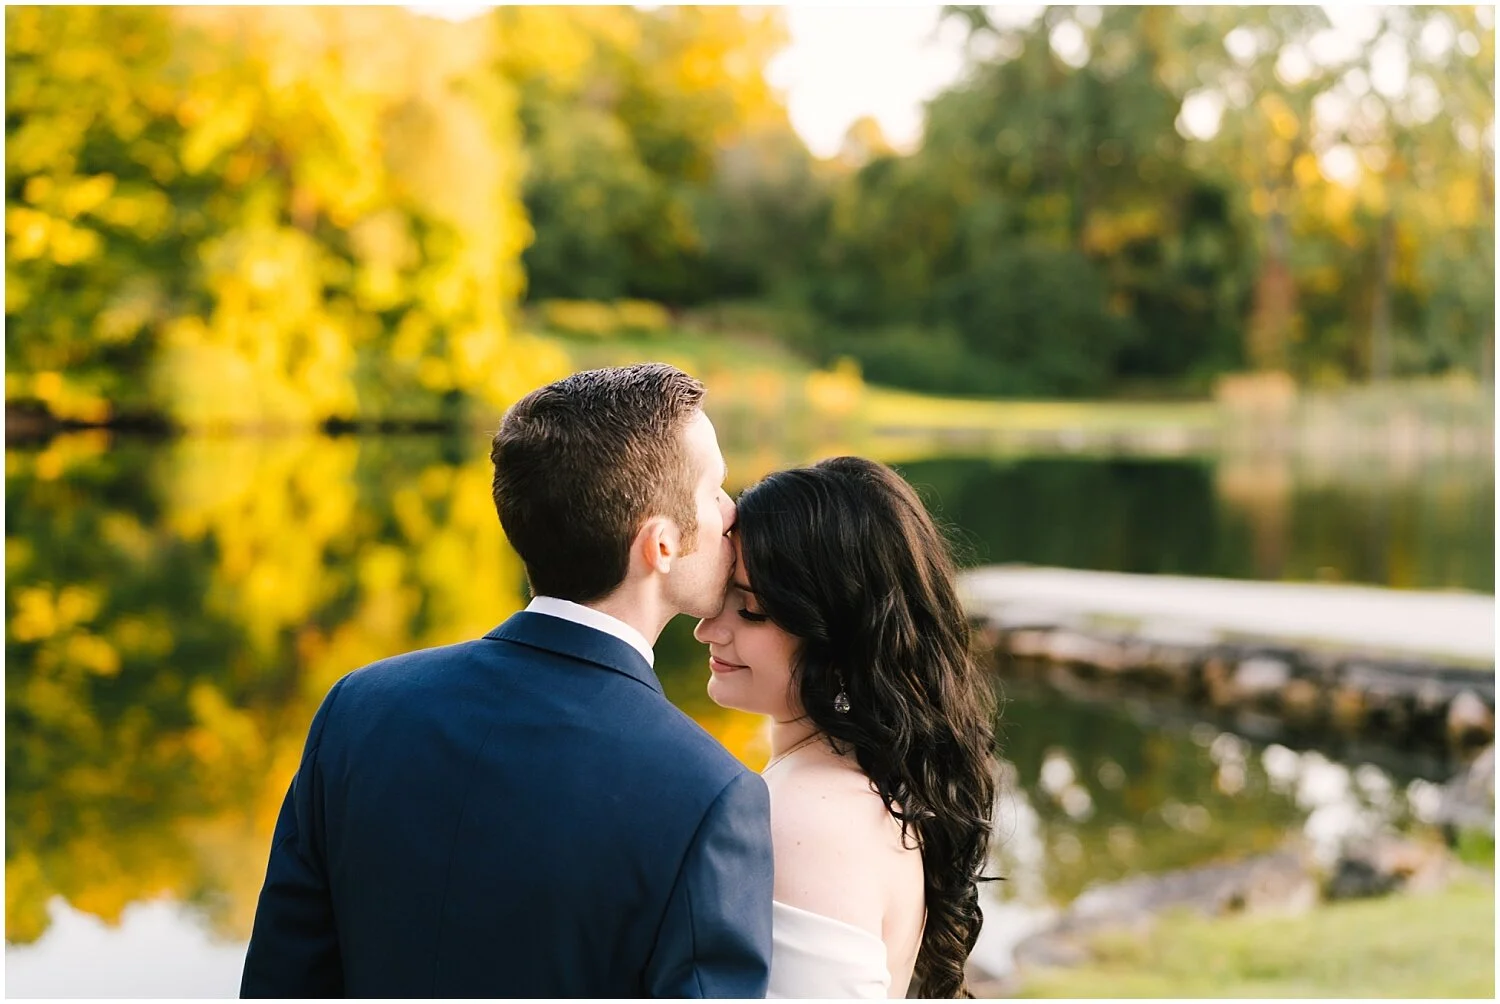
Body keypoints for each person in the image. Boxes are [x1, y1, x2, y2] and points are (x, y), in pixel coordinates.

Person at [241, 363, 774, 998]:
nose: (731, 509)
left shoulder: (358, 707)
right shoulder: (710, 795)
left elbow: (282, 980)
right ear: (658, 546)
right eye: (713, 489)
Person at [694, 456, 998, 999]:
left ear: (837, 632)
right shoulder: (856, 780)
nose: (707, 629)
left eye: (753, 609)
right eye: (721, 596)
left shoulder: (806, 816)